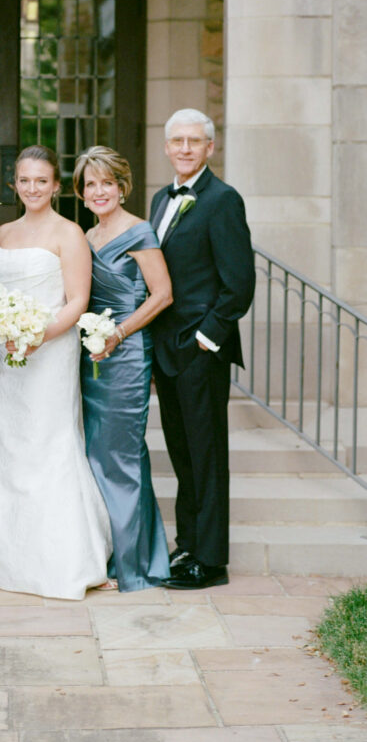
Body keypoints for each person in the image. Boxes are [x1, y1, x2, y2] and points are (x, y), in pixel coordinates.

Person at [0, 145, 111, 600]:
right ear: (14, 185)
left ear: (56, 186)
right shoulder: (2, 233)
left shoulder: (71, 234)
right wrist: (3, 322)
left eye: (41, 181)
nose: (32, 189)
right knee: (5, 440)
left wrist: (38, 334)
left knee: (49, 442)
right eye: (24, 181)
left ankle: (60, 558)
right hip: (8, 355)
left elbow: (77, 301)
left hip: (51, 352)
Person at [149, 108, 256, 590]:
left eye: (195, 141)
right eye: (178, 141)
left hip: (200, 351)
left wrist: (204, 340)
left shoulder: (223, 200)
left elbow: (239, 285)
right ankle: (189, 543)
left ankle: (210, 561)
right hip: (166, 351)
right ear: (167, 147)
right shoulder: (159, 200)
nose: (186, 148)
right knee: (183, 454)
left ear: (210, 148)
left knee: (207, 455)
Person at [73, 146, 172, 591]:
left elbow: (162, 294)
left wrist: (120, 333)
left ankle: (133, 565)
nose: (99, 191)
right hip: (90, 357)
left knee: (123, 458)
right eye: (90, 184)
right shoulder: (85, 237)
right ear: (81, 192)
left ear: (121, 186)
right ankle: (107, 552)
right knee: (95, 456)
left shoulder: (139, 231)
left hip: (127, 356)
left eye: (106, 183)